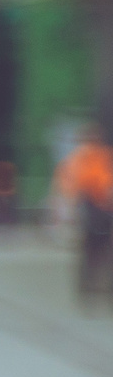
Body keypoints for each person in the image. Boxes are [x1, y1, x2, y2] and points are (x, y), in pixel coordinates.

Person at [55, 122, 113, 305]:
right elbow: (69, 187)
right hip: (93, 209)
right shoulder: (82, 158)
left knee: (96, 252)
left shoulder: (98, 157)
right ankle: (90, 289)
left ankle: (93, 289)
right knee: (94, 251)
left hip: (99, 211)